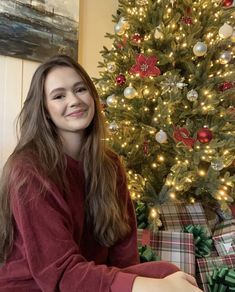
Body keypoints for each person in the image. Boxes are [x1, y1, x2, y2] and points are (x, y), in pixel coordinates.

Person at [0, 55, 202, 292]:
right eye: (59, 96)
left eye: (80, 89)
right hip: (39, 285)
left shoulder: (110, 164)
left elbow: (124, 256)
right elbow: (60, 274)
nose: (74, 100)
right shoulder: (28, 169)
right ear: (44, 110)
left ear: (92, 96)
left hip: (87, 278)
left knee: (168, 274)